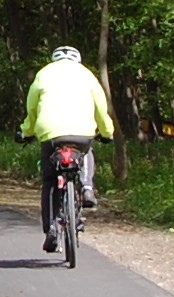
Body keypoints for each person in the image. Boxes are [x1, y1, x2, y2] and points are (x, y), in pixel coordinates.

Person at [20, 46, 113, 251]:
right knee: (87, 151)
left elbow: (32, 110)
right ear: (77, 60)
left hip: (50, 134)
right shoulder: (87, 75)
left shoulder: (43, 74)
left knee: (50, 180)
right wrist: (107, 133)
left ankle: (51, 226)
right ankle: (87, 188)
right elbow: (101, 108)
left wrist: (25, 132)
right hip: (82, 133)